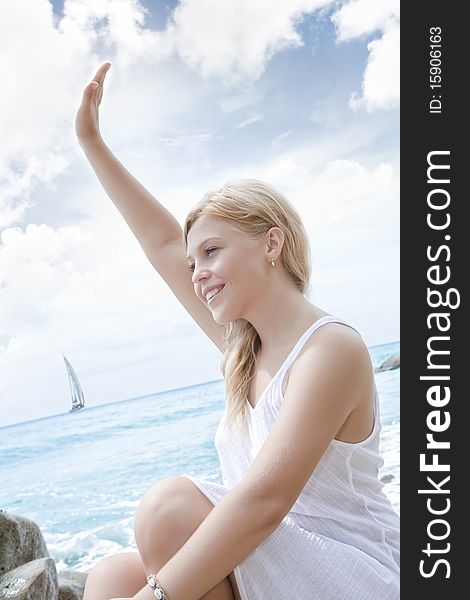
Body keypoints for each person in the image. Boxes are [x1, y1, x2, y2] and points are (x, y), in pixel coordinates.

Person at [76, 63, 400, 600]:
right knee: (113, 574)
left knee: (169, 510)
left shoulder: (330, 348)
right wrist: (91, 143)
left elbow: (265, 501)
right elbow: (163, 248)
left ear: (271, 245)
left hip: (358, 573)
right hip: (288, 559)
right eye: (193, 259)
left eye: (211, 252)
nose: (197, 272)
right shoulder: (245, 350)